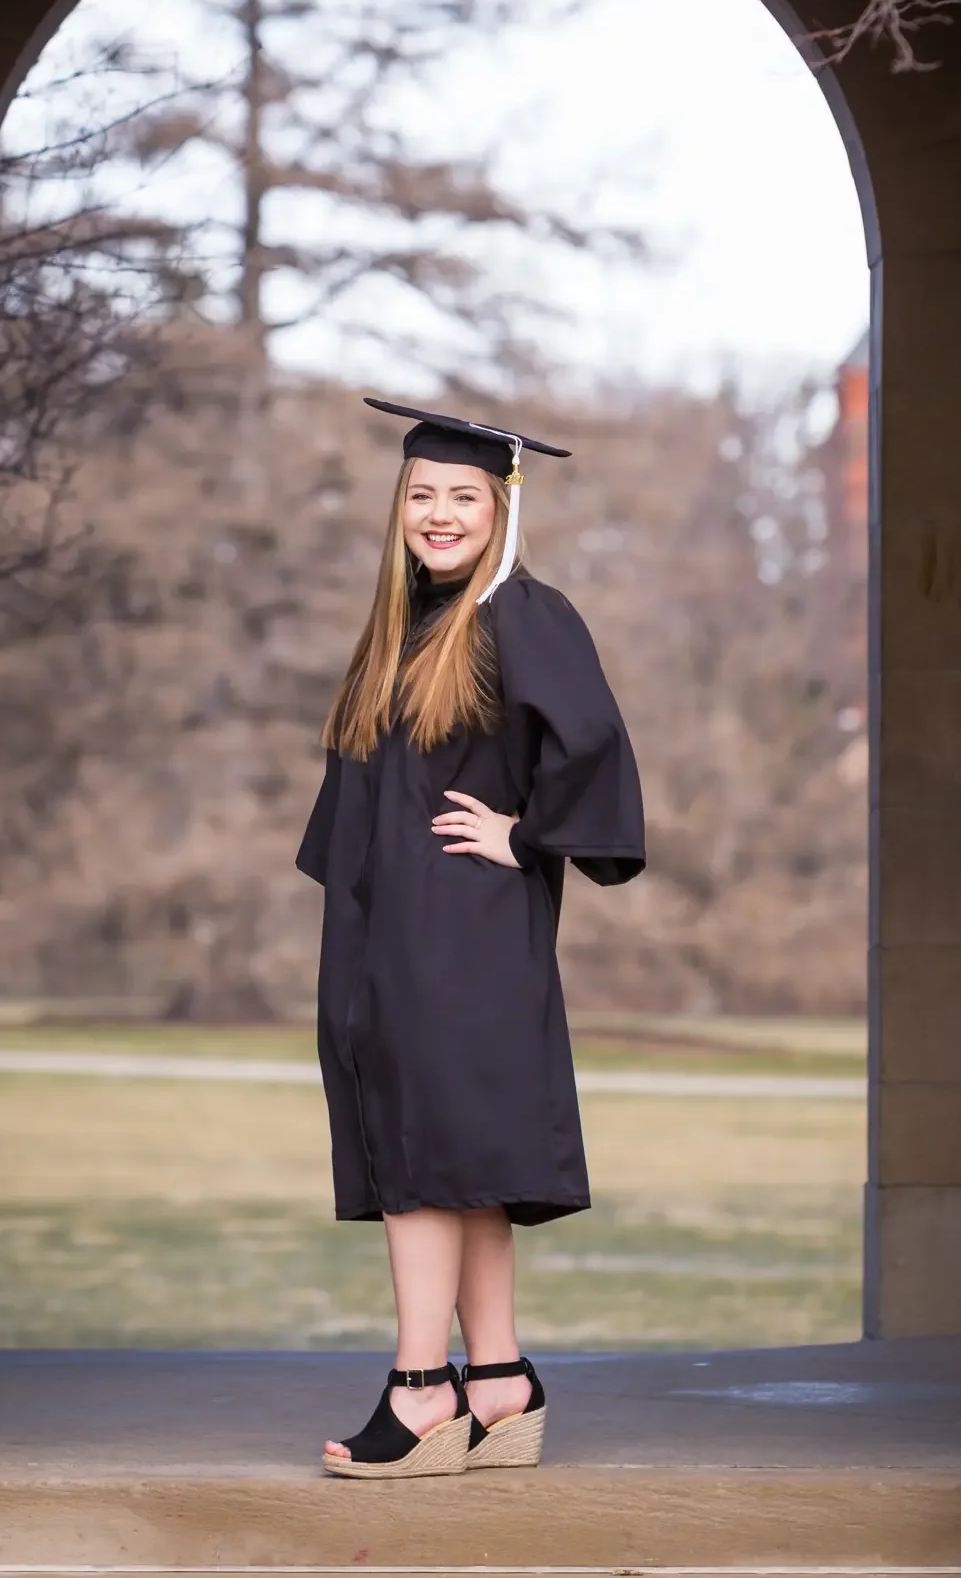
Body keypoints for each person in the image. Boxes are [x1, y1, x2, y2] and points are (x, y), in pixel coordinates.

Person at [297, 398, 645, 1479]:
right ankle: (496, 1382)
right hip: (392, 930)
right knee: (457, 1159)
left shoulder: (519, 616)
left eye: (463, 497)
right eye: (421, 496)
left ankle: (420, 1393)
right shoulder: (400, 632)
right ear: (396, 508)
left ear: (500, 509)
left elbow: (591, 743)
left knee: (422, 1157)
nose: (439, 515)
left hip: (458, 935)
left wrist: (528, 834)